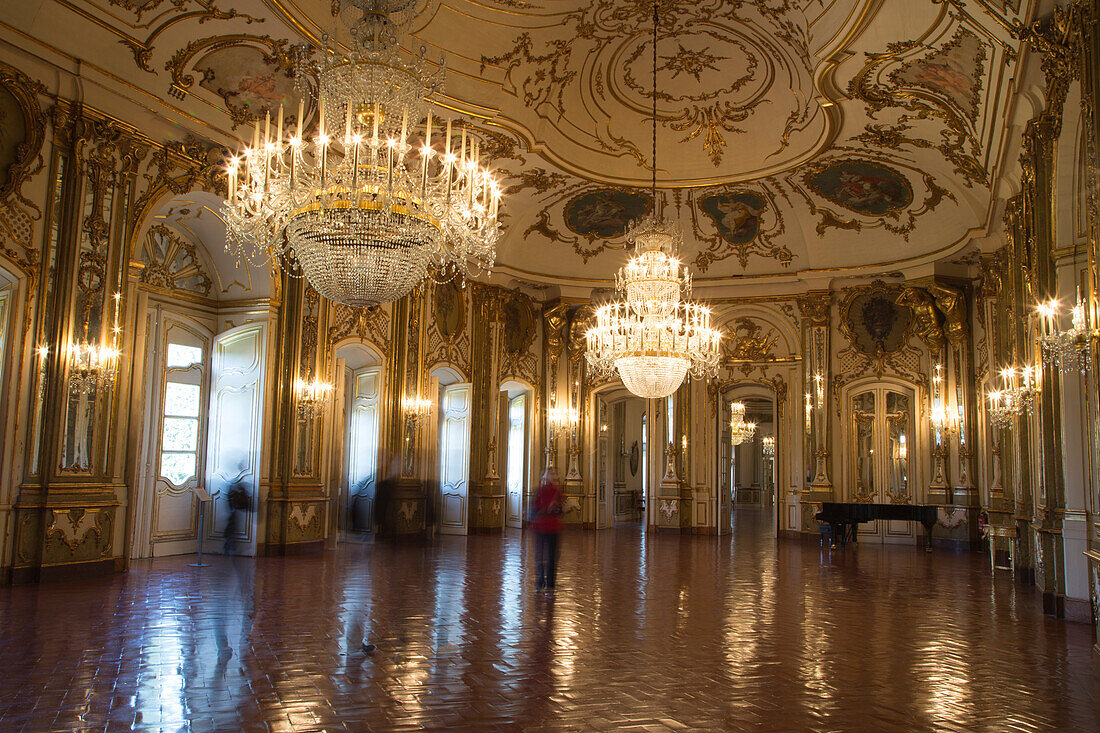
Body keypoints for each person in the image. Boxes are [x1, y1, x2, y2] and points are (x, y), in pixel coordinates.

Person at [531, 468, 563, 591]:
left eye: (554, 474)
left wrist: (554, 509)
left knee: (551, 558)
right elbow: (534, 509)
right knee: (539, 557)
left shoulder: (557, 491)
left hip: (553, 527)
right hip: (540, 527)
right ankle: (540, 581)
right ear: (543, 477)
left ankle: (550, 584)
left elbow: (560, 511)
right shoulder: (539, 491)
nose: (552, 476)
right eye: (550, 474)